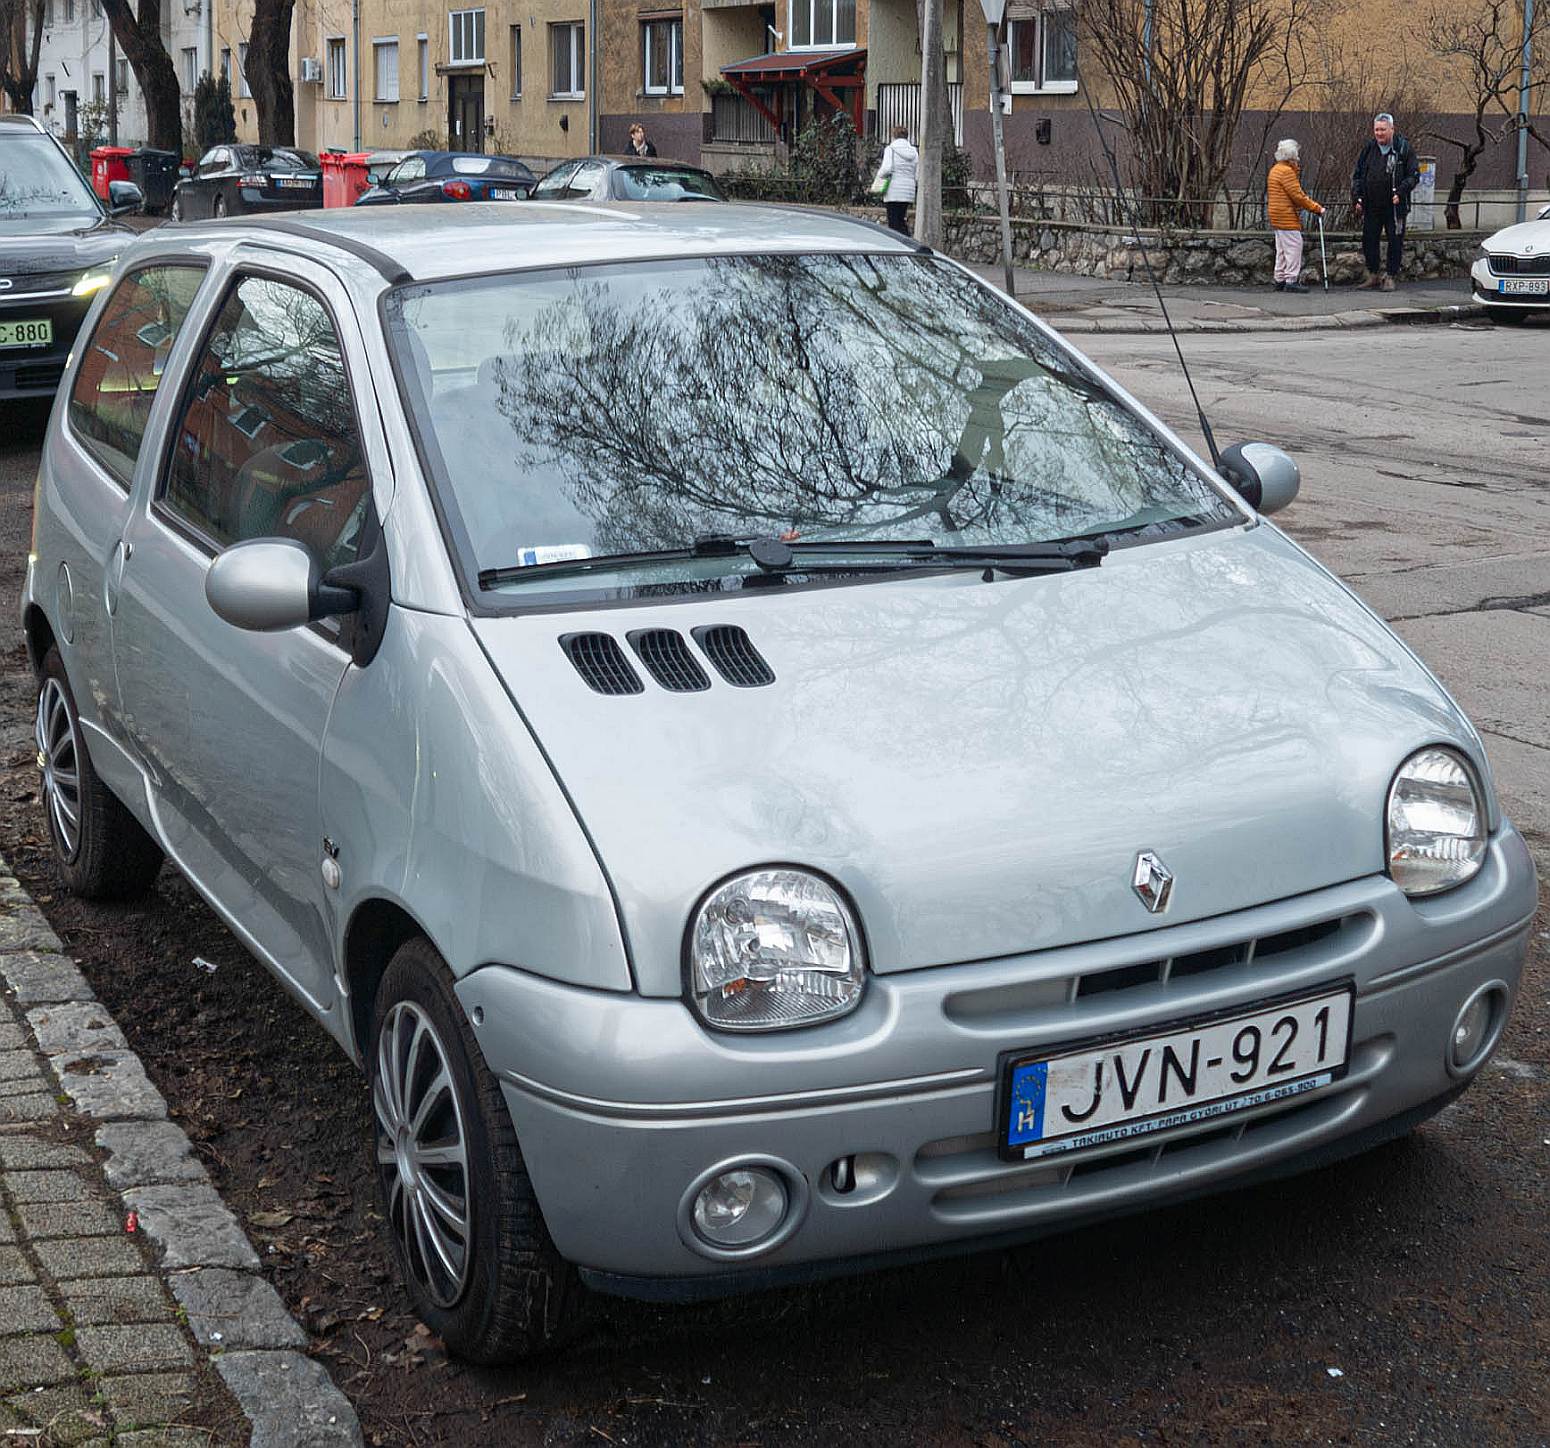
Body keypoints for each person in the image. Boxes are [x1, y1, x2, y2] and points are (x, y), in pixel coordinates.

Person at [1350, 112, 1420, 291]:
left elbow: (1414, 175)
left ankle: (1390, 275)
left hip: (1395, 206)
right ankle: (1373, 274)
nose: (1379, 133)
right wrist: (1357, 198)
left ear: (1392, 129)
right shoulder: (1369, 148)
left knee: (1395, 240)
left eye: (1382, 129)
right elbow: (1357, 175)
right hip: (1372, 204)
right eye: (1376, 130)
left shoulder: (1403, 148)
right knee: (1369, 239)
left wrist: (1402, 191)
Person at [1266, 139, 1324, 294]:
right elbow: (1297, 196)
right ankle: (1291, 280)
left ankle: (1279, 279)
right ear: (1291, 156)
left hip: (1276, 214)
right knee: (1294, 247)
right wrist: (1316, 208)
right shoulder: (1286, 172)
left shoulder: (1276, 169)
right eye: (1296, 155)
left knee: (1282, 249)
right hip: (1286, 215)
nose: (1298, 158)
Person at [873, 125, 919, 236]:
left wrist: (878, 175)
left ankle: (902, 245)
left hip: (893, 190)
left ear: (894, 136)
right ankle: (907, 242)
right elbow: (917, 174)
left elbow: (886, 168)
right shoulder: (914, 151)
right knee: (901, 219)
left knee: (893, 222)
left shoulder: (890, 149)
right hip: (908, 191)